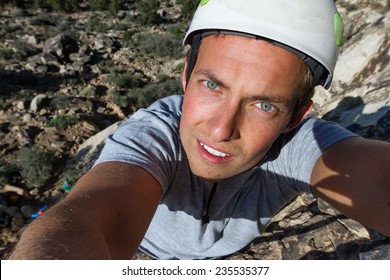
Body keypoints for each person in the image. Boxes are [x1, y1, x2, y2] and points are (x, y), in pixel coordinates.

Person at [10, 0, 390, 260]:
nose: (222, 129)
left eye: (264, 105)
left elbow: (376, 179)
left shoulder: (295, 145)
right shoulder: (154, 137)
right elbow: (89, 221)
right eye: (212, 86)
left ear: (295, 117)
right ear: (186, 76)